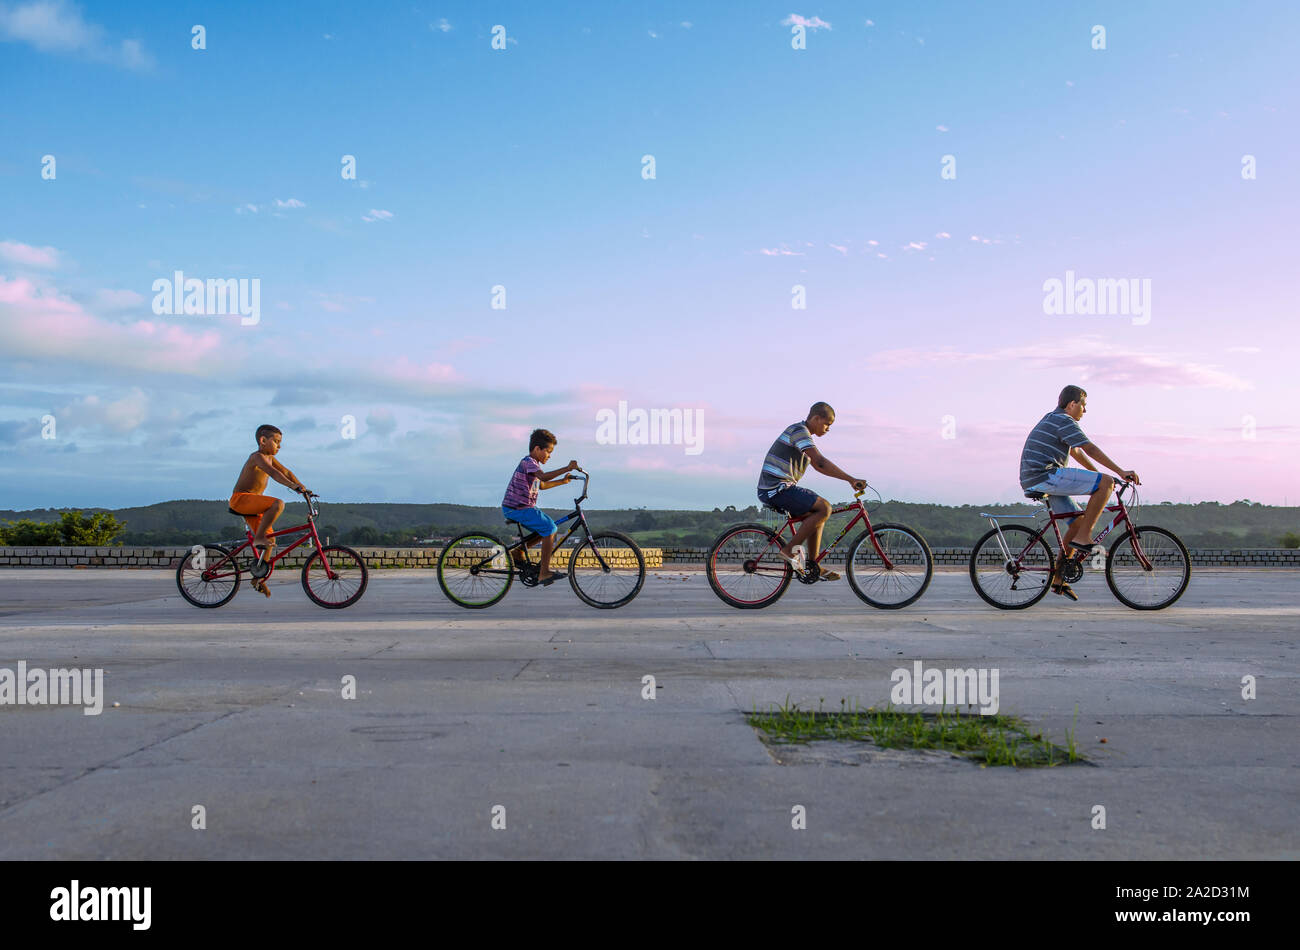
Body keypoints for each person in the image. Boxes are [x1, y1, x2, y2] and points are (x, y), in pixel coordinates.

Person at [1019, 385, 1140, 600]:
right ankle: (1085, 537)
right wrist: (1118, 473)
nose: (1085, 411)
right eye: (1083, 406)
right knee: (1102, 489)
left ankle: (1058, 579)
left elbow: (1075, 451)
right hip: (1046, 475)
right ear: (1072, 404)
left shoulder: (1052, 418)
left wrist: (1101, 476)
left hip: (1037, 477)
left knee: (1076, 523)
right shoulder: (1065, 420)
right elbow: (1089, 448)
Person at [756, 402, 866, 581]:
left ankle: (813, 566)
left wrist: (847, 479)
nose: (828, 429)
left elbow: (819, 465)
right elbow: (820, 462)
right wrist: (851, 479)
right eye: (827, 424)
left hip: (778, 488)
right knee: (824, 508)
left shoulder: (803, 435)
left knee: (817, 514)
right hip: (776, 489)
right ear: (815, 418)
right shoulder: (799, 431)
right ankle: (788, 551)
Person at [230, 424, 310, 596]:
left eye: (280, 443)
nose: (279, 446)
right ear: (263, 440)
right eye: (276, 442)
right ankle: (258, 537)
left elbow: (286, 471)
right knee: (278, 504)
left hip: (253, 504)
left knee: (270, 542)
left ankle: (257, 579)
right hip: (241, 499)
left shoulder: (271, 458)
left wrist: (303, 487)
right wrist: (292, 486)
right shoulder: (257, 457)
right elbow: (274, 474)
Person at [501, 428, 580, 586]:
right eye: (548, 451)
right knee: (550, 527)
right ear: (537, 449)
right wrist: (566, 468)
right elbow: (543, 476)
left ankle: (519, 552)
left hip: (523, 507)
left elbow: (542, 484)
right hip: (517, 508)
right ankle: (544, 573)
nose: (549, 456)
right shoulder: (528, 462)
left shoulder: (533, 466)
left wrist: (563, 481)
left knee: (546, 529)